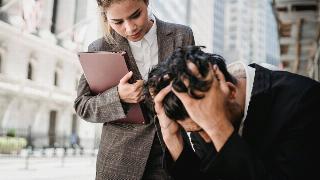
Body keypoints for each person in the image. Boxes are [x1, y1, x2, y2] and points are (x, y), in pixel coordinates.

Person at [147, 46, 320, 180]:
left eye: (206, 126)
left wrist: (217, 127)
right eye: (197, 130)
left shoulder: (305, 101)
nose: (207, 138)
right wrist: (172, 138)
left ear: (230, 90)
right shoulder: (199, 116)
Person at [74, 0, 194, 179]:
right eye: (118, 22)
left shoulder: (181, 35)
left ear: (146, 2)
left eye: (135, 15)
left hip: (172, 154)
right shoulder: (100, 48)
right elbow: (83, 106)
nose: (130, 28)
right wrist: (118, 97)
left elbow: (195, 90)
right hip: (119, 162)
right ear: (105, 18)